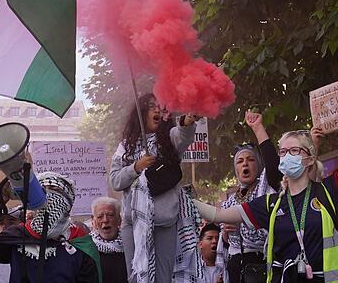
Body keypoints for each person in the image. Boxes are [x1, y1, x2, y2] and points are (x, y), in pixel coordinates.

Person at [194, 77, 338, 282]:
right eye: (283, 152)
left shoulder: (330, 190)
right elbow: (217, 213)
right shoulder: (271, 204)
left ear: (310, 159)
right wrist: (180, 196)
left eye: (294, 150)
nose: (286, 156)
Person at [110, 93, 202, 283]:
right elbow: (116, 181)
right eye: (151, 106)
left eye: (160, 106)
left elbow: (183, 133)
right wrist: (137, 167)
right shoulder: (124, 147)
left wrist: (188, 119)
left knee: (162, 278)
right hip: (133, 223)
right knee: (135, 277)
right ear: (141, 113)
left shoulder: (169, 139)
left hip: (164, 223)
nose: (157, 109)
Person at [0, 173, 100, 283]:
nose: (49, 203)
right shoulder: (18, 237)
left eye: (54, 191)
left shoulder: (81, 246)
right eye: (43, 191)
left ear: (67, 204)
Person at [217, 111, 281, 283]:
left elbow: (273, 165)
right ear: (236, 169)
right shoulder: (229, 202)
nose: (245, 163)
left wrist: (258, 128)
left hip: (262, 267)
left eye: (250, 160)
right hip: (237, 271)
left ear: (258, 165)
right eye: (240, 161)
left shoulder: (265, 188)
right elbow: (226, 247)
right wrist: (225, 235)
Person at [90, 197, 127, 283]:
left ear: (119, 220)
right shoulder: (86, 249)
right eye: (100, 216)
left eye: (110, 215)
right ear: (93, 221)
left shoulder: (131, 246)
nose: (105, 220)